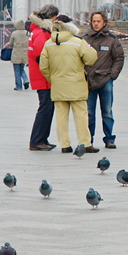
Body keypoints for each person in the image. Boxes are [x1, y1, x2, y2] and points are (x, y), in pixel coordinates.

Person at [39, 15, 99, 153]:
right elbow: (91, 58)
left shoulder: (48, 43)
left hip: (58, 85)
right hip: (77, 84)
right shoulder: (78, 42)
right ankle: (85, 143)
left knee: (61, 117)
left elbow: (43, 67)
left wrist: (52, 79)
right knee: (81, 115)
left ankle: (64, 145)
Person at [83, 11, 125, 149]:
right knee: (89, 112)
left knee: (107, 111)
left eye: (98, 21)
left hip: (106, 80)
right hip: (89, 81)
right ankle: (89, 139)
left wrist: (112, 75)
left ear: (104, 23)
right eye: (94, 21)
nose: (96, 24)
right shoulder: (85, 39)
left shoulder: (112, 40)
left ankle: (109, 138)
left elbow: (119, 58)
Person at [28, 5, 59, 150]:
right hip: (43, 78)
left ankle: (42, 138)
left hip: (41, 76)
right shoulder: (41, 33)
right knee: (45, 108)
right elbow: (41, 57)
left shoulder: (37, 30)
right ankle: (37, 140)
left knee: (47, 108)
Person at [8, 20, 30, 90]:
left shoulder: (14, 33)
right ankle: (26, 80)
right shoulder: (27, 33)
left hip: (16, 53)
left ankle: (18, 86)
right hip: (24, 53)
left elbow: (11, 43)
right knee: (22, 69)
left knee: (17, 70)